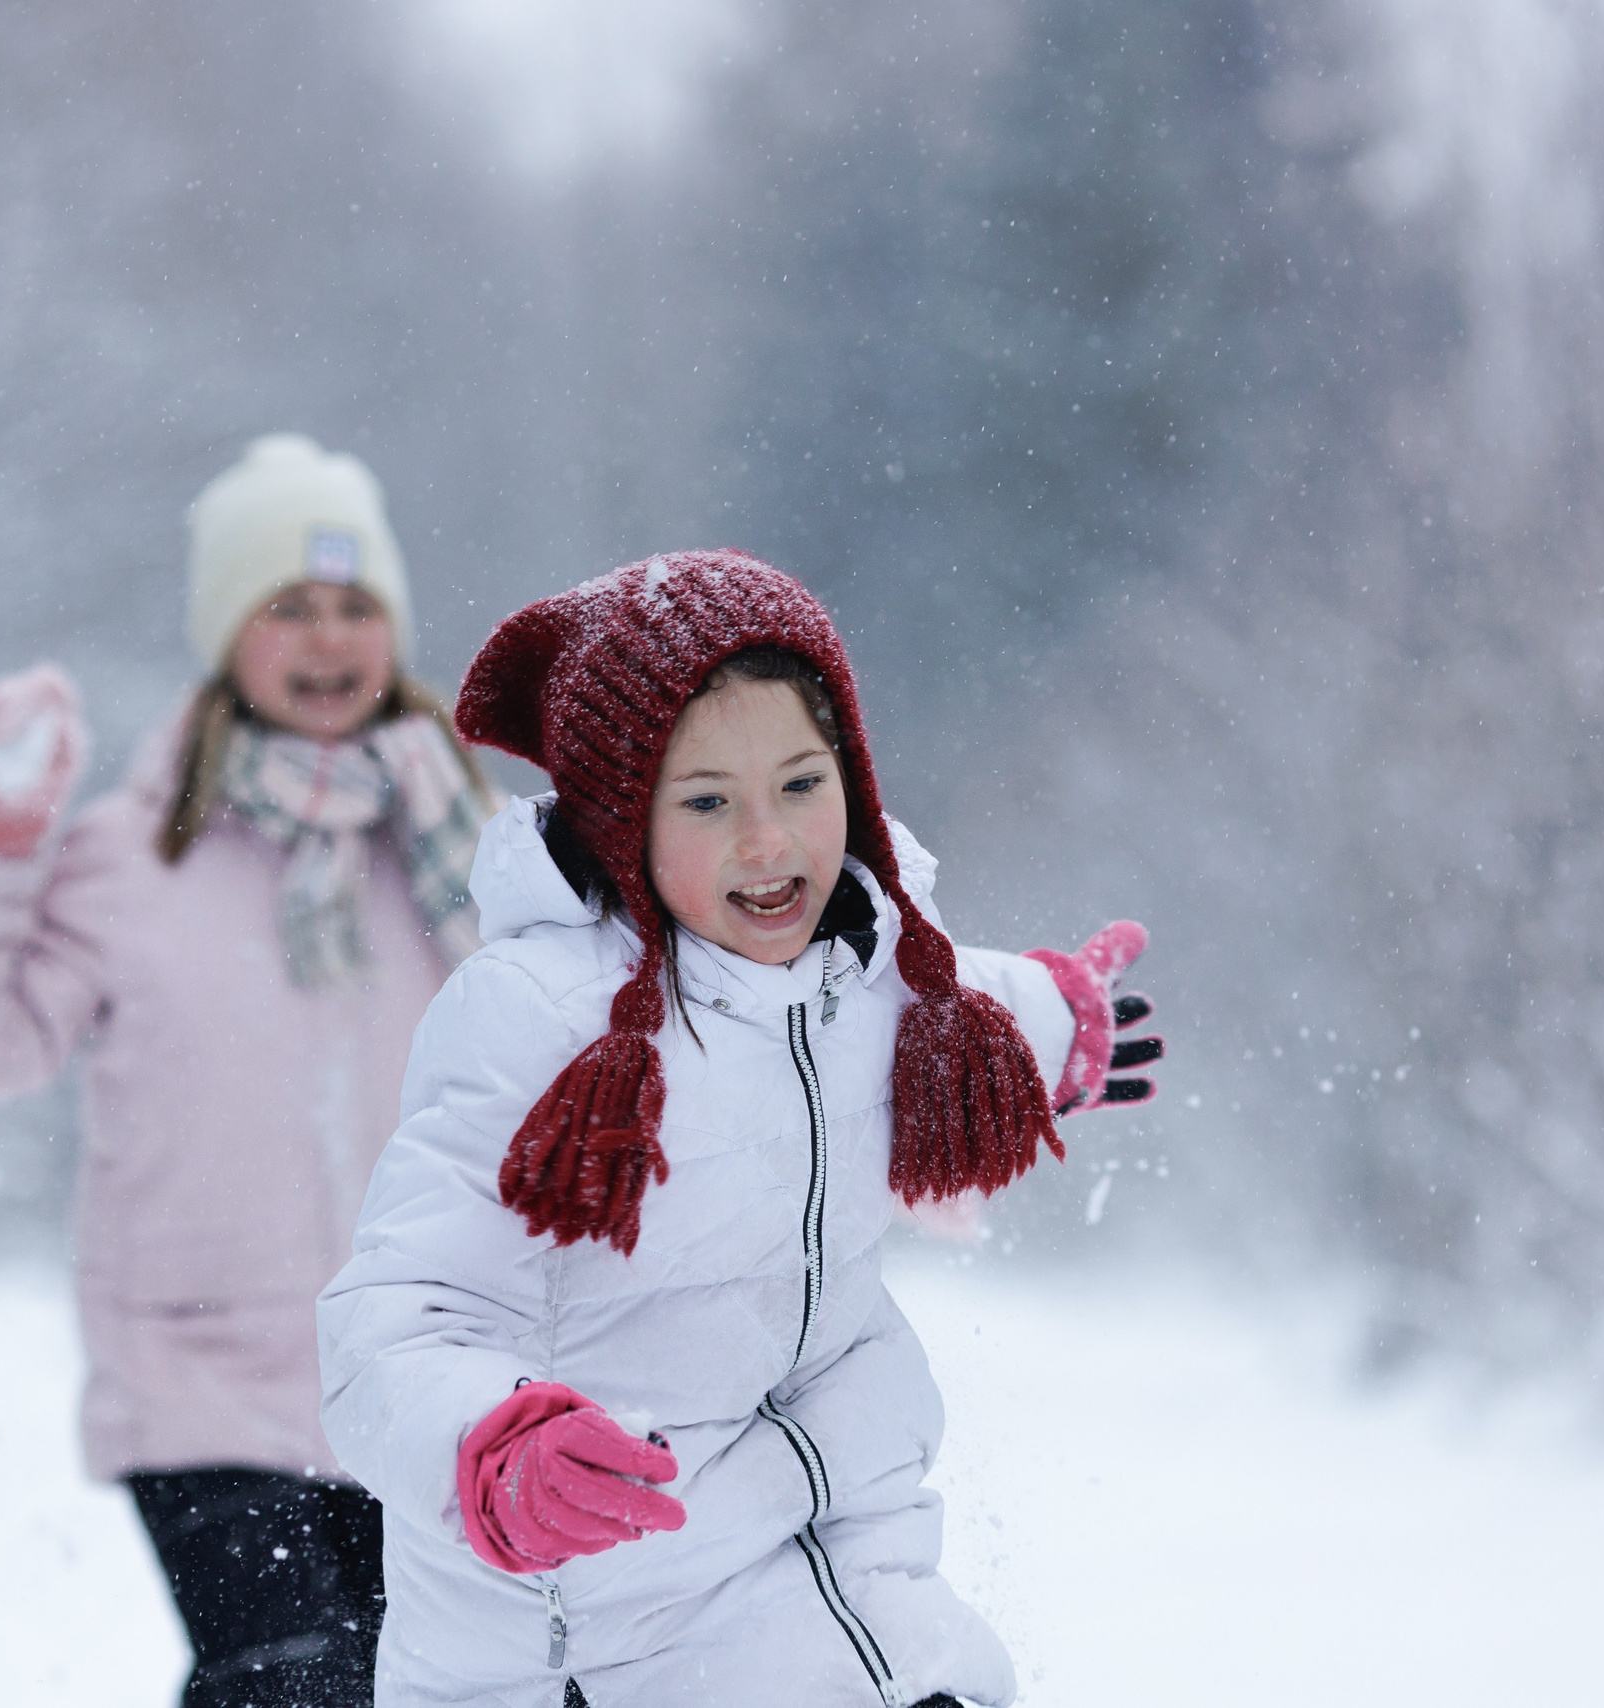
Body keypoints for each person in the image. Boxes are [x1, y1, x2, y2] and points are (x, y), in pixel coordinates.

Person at [316, 550, 1162, 1707]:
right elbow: (388, 1323)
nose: (769, 844)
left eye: (802, 786)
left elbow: (957, 1007)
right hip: (591, 1621)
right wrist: (493, 1452)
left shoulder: (878, 965)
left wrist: (1055, 1027)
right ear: (624, 821)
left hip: (845, 1556)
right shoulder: (535, 1017)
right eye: (708, 801)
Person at [0, 434, 493, 1707]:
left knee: (436, 1686)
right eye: (286, 606)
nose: (327, 639)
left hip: (423, 1367)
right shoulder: (127, 859)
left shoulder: (463, 852)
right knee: (290, 1682)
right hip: (200, 1375)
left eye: (354, 606)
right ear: (225, 633)